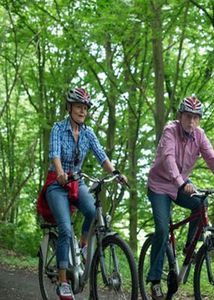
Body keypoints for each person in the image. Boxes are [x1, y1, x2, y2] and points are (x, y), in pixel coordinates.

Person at [37, 87, 127, 300]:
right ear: (69, 108)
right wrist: (59, 172)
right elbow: (54, 154)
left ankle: (83, 246)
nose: (82, 111)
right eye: (78, 107)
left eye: (85, 108)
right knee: (65, 229)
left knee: (95, 213)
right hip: (57, 184)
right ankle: (63, 281)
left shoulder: (88, 133)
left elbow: (101, 156)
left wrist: (116, 172)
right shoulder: (58, 128)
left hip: (76, 182)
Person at [146, 95, 214, 299]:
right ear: (180, 116)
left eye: (196, 118)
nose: (192, 121)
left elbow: (212, 158)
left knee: (201, 202)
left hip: (181, 184)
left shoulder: (200, 135)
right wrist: (181, 183)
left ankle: (188, 248)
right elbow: (168, 160)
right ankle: (155, 280)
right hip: (160, 185)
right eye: (188, 117)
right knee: (161, 229)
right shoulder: (170, 131)